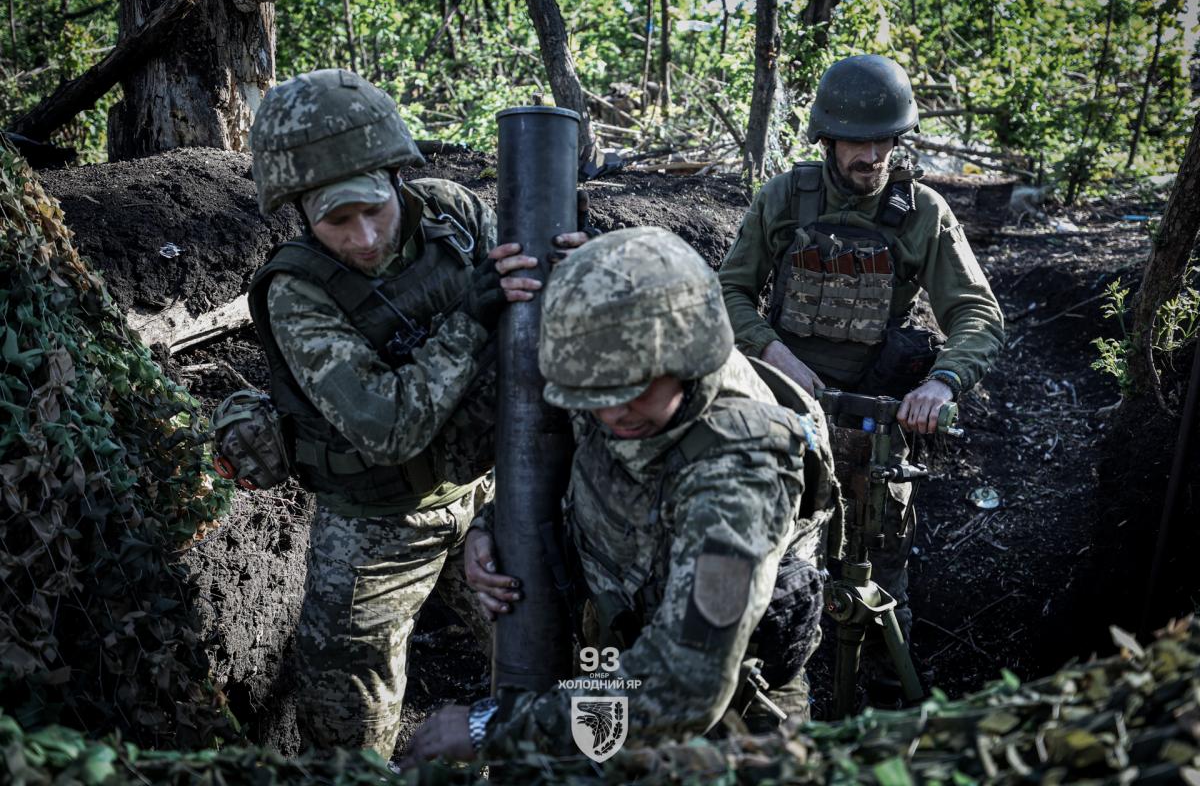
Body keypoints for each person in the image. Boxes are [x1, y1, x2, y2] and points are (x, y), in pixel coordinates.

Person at [402, 227, 840, 763]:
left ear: (690, 354)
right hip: (612, 661)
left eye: (630, 391)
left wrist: (491, 728)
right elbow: (574, 464)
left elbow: (685, 688)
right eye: (591, 397)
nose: (611, 413)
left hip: (725, 730)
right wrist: (491, 524)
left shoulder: (739, 474)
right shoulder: (620, 371)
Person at [245, 67, 583, 757]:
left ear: (398, 178)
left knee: (562, 671)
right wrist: (468, 320)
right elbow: (387, 425)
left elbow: (533, 306)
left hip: (492, 492)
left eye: (375, 208)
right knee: (348, 734)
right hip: (375, 531)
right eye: (337, 222)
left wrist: (579, 276)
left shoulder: (452, 215)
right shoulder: (296, 289)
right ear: (301, 212)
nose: (365, 238)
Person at [717, 54, 1005, 692]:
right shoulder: (785, 199)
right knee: (770, 576)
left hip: (874, 424)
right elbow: (727, 293)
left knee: (879, 581)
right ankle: (769, 702)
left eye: (884, 141)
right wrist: (774, 353)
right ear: (827, 139)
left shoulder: (922, 213)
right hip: (783, 415)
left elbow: (979, 314)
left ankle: (883, 715)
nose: (872, 156)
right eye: (858, 142)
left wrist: (942, 382)